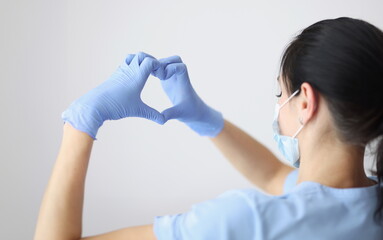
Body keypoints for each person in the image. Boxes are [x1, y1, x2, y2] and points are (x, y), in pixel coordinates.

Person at [34, 17, 383, 240]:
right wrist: (201, 117)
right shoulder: (370, 203)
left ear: (305, 102)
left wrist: (82, 120)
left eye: (281, 93)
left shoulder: (245, 222)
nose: (278, 105)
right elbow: (275, 176)